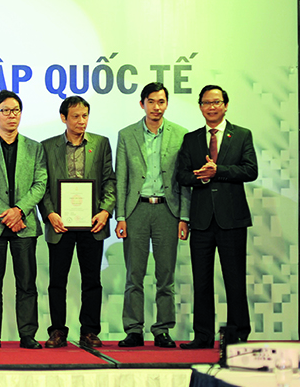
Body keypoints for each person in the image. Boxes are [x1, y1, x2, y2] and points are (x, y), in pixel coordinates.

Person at [176, 85, 258, 349]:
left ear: (225, 105)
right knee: (201, 281)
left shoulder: (242, 135)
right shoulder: (191, 139)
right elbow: (181, 175)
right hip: (201, 220)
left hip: (232, 219)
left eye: (216, 102)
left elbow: (250, 170)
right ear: (200, 106)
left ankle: (238, 335)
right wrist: (201, 177)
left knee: (235, 280)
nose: (211, 107)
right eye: (206, 103)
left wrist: (218, 171)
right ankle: (202, 336)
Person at [114, 83, 189, 348]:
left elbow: (184, 181)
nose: (157, 107)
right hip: (137, 209)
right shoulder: (127, 134)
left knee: (165, 275)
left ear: (166, 104)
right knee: (134, 274)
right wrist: (120, 216)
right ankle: (134, 329)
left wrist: (184, 217)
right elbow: (121, 178)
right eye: (151, 101)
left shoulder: (181, 134)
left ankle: (162, 329)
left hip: (168, 210)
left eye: (161, 102)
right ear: (142, 104)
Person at [39, 96, 116, 348]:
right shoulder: (47, 146)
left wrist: (105, 211)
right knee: (57, 281)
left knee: (92, 280)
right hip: (59, 224)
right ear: (63, 118)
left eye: (85, 116)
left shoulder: (101, 144)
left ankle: (90, 331)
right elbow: (42, 185)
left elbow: (109, 181)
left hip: (92, 224)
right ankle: (57, 331)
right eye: (75, 116)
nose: (81, 121)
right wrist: (50, 213)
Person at [0, 90, 47, 350]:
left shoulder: (35, 148)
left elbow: (40, 184)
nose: (11, 115)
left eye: (16, 110)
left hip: (24, 226)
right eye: (5, 110)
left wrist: (19, 211)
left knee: (26, 284)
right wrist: (8, 214)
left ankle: (27, 334)